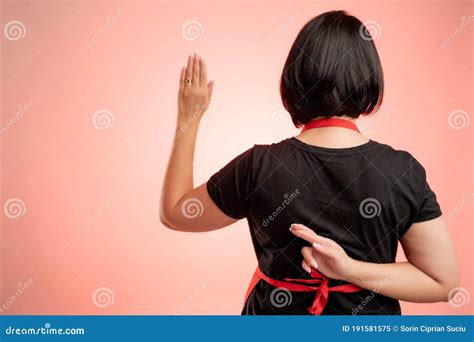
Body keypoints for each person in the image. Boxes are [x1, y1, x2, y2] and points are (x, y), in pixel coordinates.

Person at [160, 10, 459, 315]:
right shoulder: (402, 170)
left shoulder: (258, 166)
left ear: (294, 79)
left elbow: (176, 213)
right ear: (369, 79)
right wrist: (351, 270)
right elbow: (442, 282)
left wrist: (189, 117)